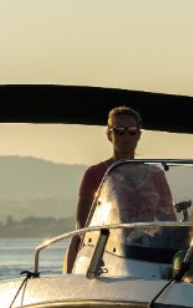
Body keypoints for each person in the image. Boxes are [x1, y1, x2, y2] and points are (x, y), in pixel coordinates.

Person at [63, 106, 175, 272]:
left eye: (131, 131)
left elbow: (168, 219)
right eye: (119, 131)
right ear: (110, 135)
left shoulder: (156, 174)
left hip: (148, 250)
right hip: (106, 252)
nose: (125, 136)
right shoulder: (94, 173)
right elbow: (82, 221)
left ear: (139, 135)